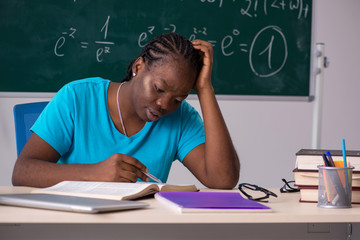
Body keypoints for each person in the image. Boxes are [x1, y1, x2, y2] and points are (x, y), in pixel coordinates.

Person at [12, 32, 240, 189]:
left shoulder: (181, 118)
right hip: (72, 226)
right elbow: (23, 171)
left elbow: (223, 179)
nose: (165, 104)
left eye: (178, 99)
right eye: (159, 89)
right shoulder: (77, 97)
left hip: (139, 229)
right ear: (138, 67)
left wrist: (205, 89)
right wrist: (94, 174)